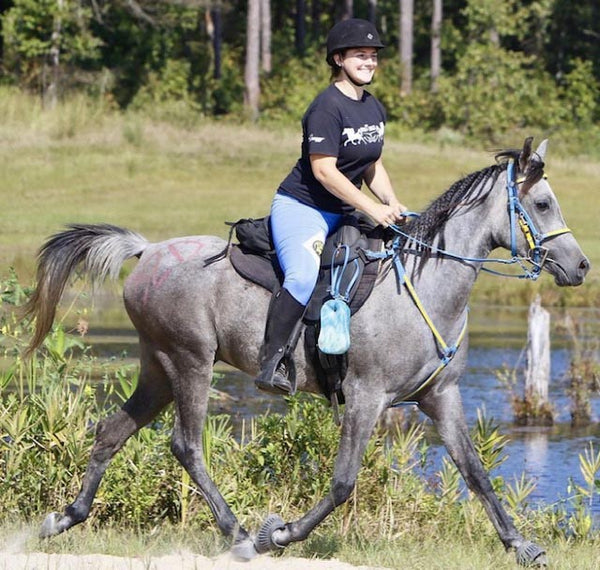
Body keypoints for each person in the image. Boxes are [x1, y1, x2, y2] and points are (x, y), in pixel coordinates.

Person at [254, 18, 407, 395]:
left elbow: (373, 164)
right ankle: (271, 361)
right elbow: (324, 171)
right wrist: (372, 208)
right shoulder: (325, 107)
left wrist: (391, 201)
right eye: (360, 55)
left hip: (343, 208)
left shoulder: (372, 107)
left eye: (372, 56)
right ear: (338, 58)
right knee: (303, 277)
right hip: (303, 207)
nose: (369, 62)